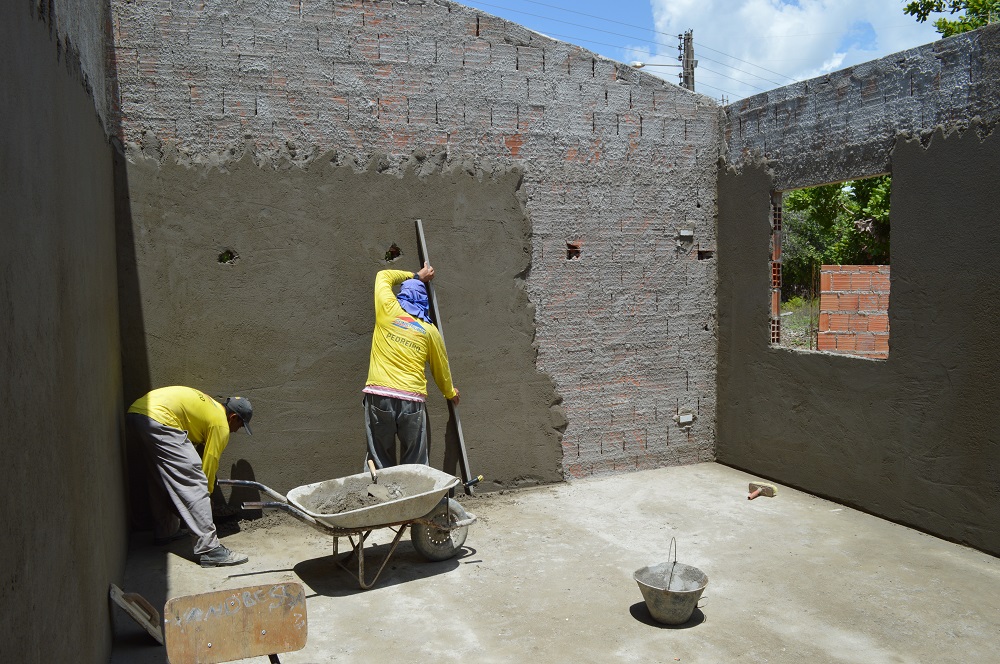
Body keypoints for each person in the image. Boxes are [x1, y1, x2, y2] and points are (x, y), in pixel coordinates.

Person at [126, 386, 254, 567]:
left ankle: (166, 530)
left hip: (137, 414)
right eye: (240, 425)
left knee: (160, 478)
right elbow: (209, 465)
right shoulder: (221, 425)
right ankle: (210, 550)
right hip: (160, 418)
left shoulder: (213, 408)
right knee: (195, 480)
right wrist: (207, 495)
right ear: (233, 417)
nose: (237, 430)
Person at [363, 262, 459, 468]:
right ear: (424, 301)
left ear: (402, 296)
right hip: (411, 400)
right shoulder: (429, 331)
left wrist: (416, 275)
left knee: (379, 459)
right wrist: (450, 392)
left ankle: (383, 498)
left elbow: (383, 276)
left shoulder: (388, 309)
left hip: (378, 395)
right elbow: (440, 367)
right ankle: (414, 498)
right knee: (415, 463)